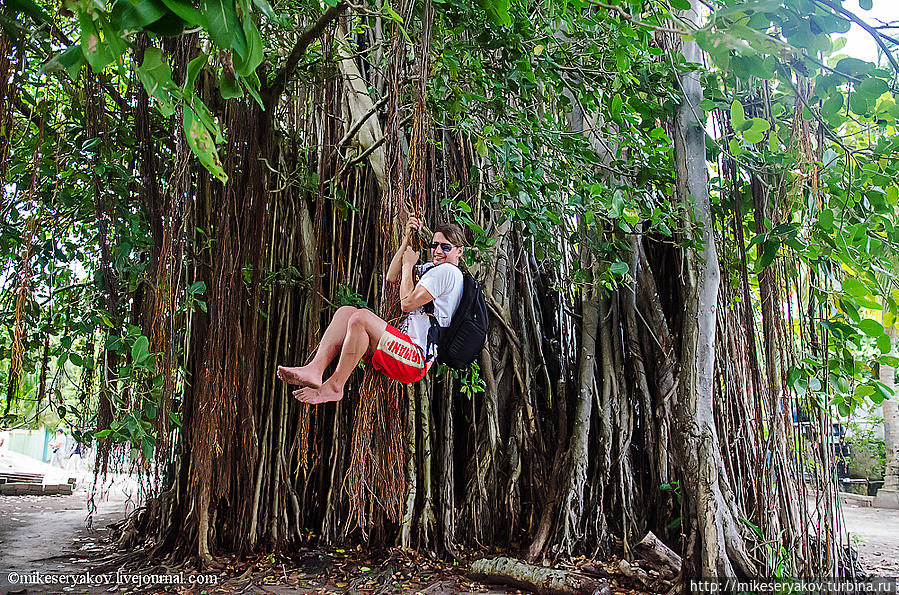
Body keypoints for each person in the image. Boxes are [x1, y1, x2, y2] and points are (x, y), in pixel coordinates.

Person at [277, 216, 465, 404]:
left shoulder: (448, 271)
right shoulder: (434, 269)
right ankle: (315, 369)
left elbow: (406, 304)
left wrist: (408, 265)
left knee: (361, 318)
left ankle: (335, 387)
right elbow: (392, 276)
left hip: (415, 358)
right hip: (400, 346)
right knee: (346, 313)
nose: (438, 251)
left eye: (445, 247)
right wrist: (407, 239)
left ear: (459, 251)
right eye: (434, 245)